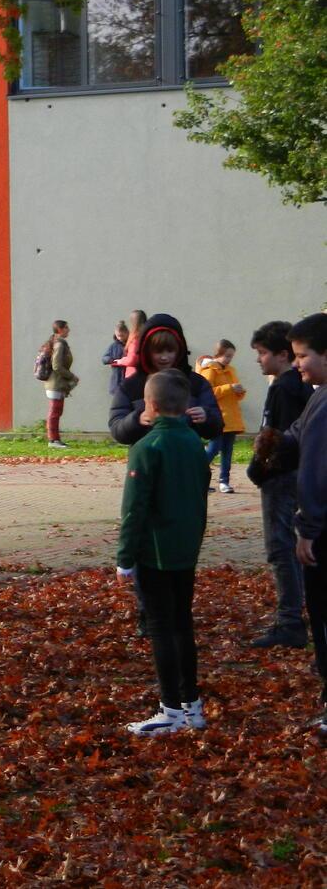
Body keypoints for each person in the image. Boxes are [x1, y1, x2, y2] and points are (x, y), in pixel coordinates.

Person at [116, 369, 210, 736]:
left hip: (154, 550)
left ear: (150, 405)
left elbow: (134, 507)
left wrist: (125, 557)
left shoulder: (146, 447)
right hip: (186, 546)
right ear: (185, 405)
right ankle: (192, 704)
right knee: (182, 624)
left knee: (161, 628)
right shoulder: (194, 443)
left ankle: (170, 707)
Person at [260, 313, 327, 734]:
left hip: (323, 531)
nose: (297, 363)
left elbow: (319, 472)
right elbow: (298, 438)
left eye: (303, 355)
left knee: (323, 617)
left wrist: (308, 529)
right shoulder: (318, 396)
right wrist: (277, 443)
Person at [246, 320, 312, 649]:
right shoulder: (296, 387)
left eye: (262, 353)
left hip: (280, 478)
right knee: (289, 545)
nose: (258, 359)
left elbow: (279, 438)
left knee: (280, 548)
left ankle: (290, 619)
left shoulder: (285, 388)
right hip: (290, 475)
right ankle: (294, 613)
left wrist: (259, 469)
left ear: (282, 354)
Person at [108, 314, 224, 448]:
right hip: (146, 461)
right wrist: (136, 420)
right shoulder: (130, 386)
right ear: (146, 351)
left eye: (170, 351)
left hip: (186, 460)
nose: (164, 357)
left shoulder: (196, 383)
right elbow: (116, 428)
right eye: (158, 351)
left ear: (179, 350)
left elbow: (217, 425)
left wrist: (206, 418)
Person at [197, 340, 246, 494]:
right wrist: (228, 388)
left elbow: (235, 395)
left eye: (231, 356)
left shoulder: (231, 370)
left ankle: (224, 481)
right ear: (217, 355)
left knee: (228, 451)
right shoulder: (209, 370)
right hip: (217, 417)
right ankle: (196, 476)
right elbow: (207, 393)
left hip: (231, 417)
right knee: (213, 448)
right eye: (227, 356)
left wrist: (239, 391)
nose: (229, 359)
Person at [41, 321, 77, 449]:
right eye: (67, 327)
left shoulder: (58, 342)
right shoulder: (60, 344)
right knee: (54, 412)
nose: (69, 330)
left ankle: (55, 439)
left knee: (56, 411)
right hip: (55, 383)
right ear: (60, 329)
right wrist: (71, 376)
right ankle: (53, 440)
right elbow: (56, 366)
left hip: (57, 383)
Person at [112, 309, 148, 380]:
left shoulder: (135, 338)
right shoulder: (147, 336)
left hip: (133, 376)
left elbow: (132, 359)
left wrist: (120, 361)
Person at [103, 321, 129, 397]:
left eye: (122, 336)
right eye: (118, 336)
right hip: (116, 380)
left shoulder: (131, 344)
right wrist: (110, 360)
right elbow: (104, 358)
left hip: (128, 378)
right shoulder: (113, 346)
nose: (120, 338)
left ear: (127, 333)